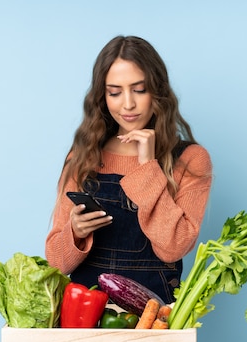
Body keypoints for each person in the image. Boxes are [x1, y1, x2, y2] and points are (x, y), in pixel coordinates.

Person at [45, 35, 212, 304]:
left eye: (139, 89)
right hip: (86, 316)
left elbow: (173, 248)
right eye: (114, 92)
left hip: (153, 315)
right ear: (102, 96)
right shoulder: (83, 156)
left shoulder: (191, 159)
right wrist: (75, 232)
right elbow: (55, 261)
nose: (127, 104)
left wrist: (148, 165)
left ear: (157, 92)